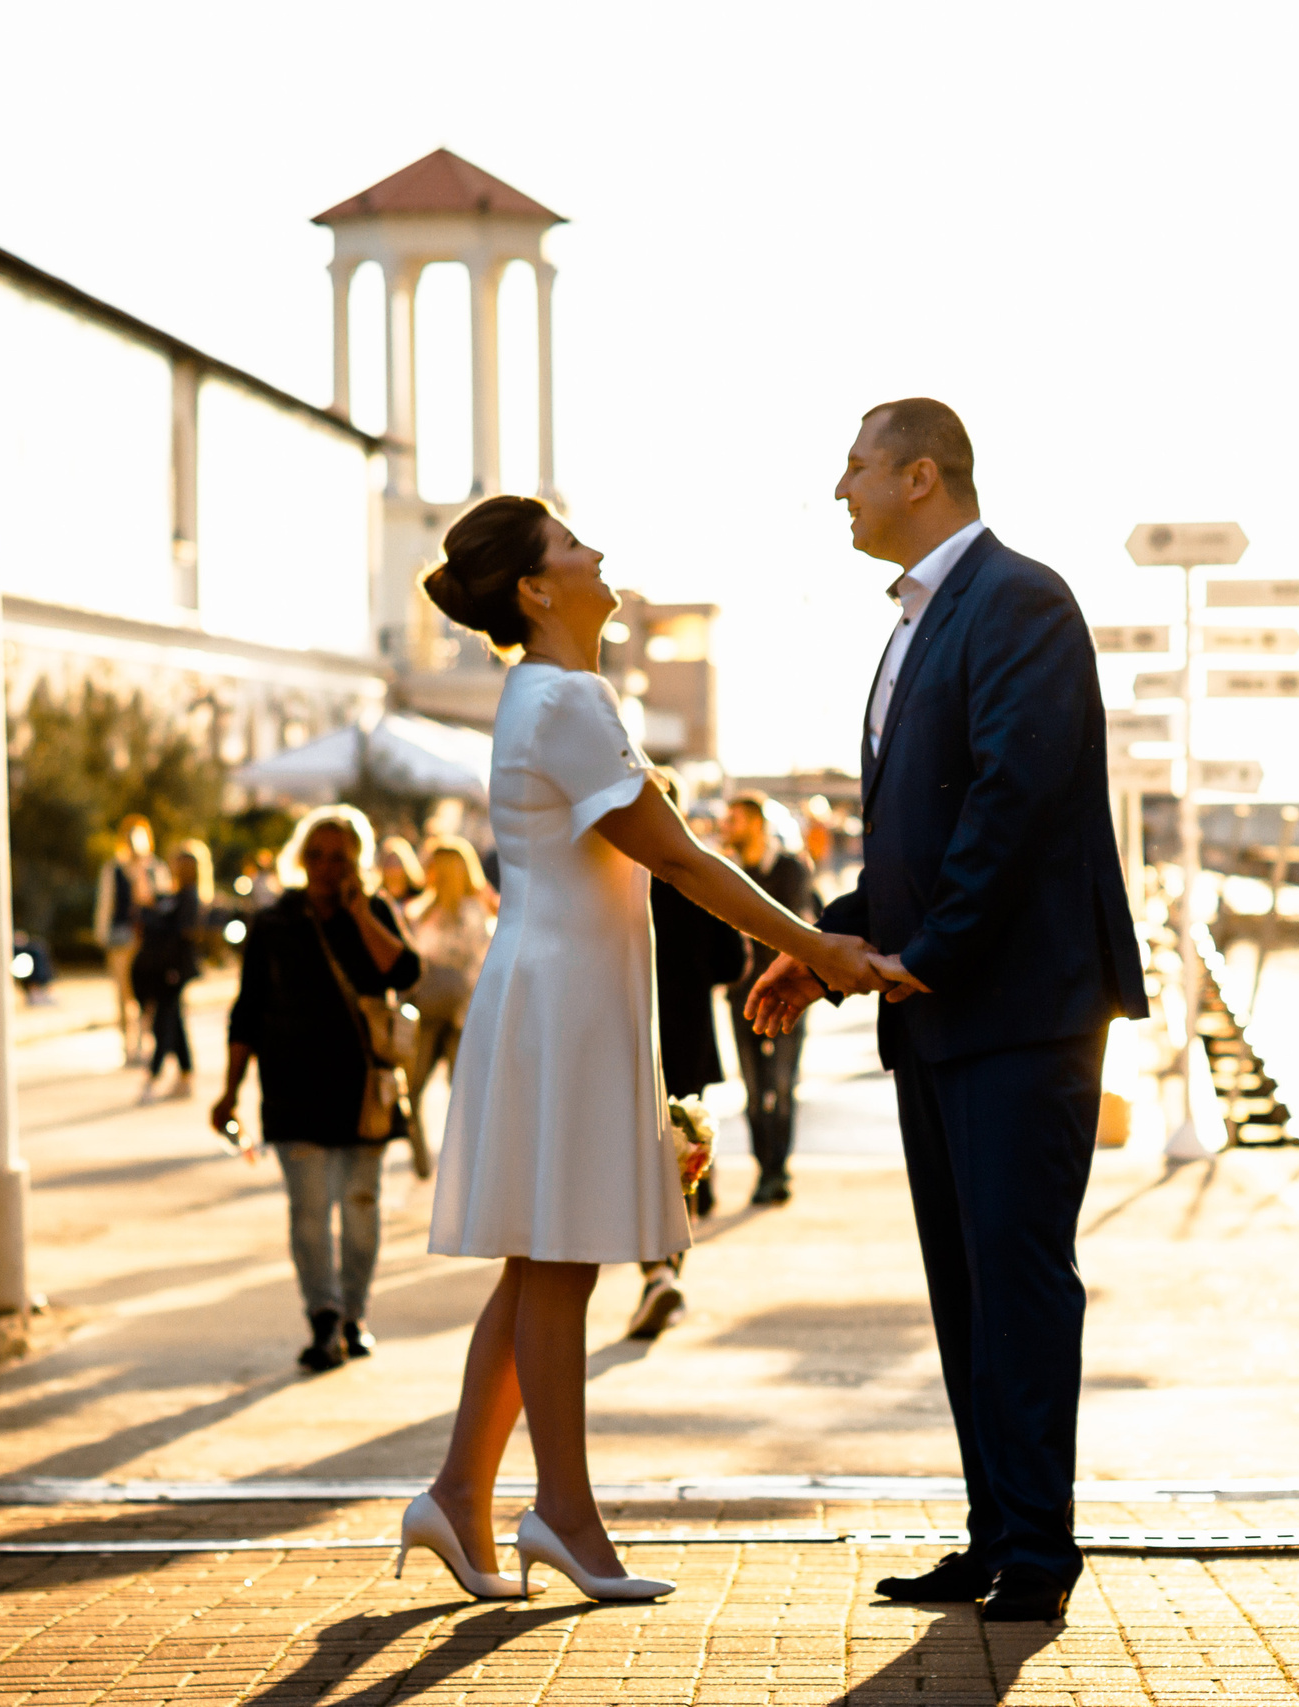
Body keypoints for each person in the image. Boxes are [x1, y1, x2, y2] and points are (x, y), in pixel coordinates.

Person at [399, 493, 887, 1604]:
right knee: (560, 1257)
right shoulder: (564, 697)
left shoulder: (551, 693)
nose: (598, 553)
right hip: (563, 999)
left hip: (557, 990)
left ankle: (460, 1494)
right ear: (535, 589)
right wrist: (816, 943)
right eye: (572, 545)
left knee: (541, 1258)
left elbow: (662, 856)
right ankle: (562, 1514)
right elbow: (680, 859)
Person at [747, 399, 1146, 1625]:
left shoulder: (1021, 601)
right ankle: (994, 1536)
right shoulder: (920, 619)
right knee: (967, 1289)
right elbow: (921, 837)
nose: (840, 489)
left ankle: (1037, 1554)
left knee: (1018, 1283)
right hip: (938, 1006)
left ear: (921, 476)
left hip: (1015, 1007)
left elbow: (1013, 802)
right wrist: (823, 949)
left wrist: (927, 952)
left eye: (856, 466)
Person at [210, 805, 423, 1373]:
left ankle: (354, 1314)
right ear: (300, 858)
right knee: (309, 1211)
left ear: (358, 863)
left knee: (360, 1206)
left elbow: (406, 973)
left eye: (340, 858)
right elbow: (247, 1010)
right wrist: (229, 1091)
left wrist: (360, 913)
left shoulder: (372, 912)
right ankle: (324, 1318)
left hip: (361, 1090)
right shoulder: (274, 922)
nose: (327, 867)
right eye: (317, 855)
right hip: (293, 1088)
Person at [627, 770, 751, 1341]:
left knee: (638, 1156)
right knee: (680, 1151)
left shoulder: (618, 876)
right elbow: (732, 961)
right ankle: (668, 1269)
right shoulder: (696, 874)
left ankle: (656, 1273)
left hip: (628, 1033)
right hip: (687, 1035)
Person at [721, 791, 818, 1206]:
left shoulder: (791, 868)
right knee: (752, 1092)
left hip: (786, 994)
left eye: (734, 820)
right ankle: (765, 1170)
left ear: (757, 824)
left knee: (781, 1087)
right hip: (742, 996)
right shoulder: (726, 870)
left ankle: (778, 1171)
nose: (725, 827)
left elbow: (793, 923)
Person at [404, 833, 496, 1180]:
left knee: (465, 1093)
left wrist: (468, 1008)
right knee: (412, 1090)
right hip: (430, 1011)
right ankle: (422, 1161)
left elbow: (481, 962)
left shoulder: (472, 912)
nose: (426, 870)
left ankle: (466, 1164)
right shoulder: (421, 910)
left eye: (433, 865)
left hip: (460, 1014)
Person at [134, 840, 210, 1102]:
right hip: (168, 969)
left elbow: (181, 934)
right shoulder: (177, 896)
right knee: (174, 1023)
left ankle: (152, 1077)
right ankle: (185, 1076)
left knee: (164, 1024)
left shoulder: (189, 897)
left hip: (173, 970)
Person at [94, 815, 164, 1066]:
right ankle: (128, 1045)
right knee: (124, 995)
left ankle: (146, 1042)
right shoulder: (113, 869)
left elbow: (161, 901)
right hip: (121, 940)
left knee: (148, 994)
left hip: (148, 940)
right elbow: (106, 904)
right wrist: (102, 935)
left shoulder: (155, 869)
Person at [377, 836, 426, 909]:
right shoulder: (376, 903)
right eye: (388, 864)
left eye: (396, 864)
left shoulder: (421, 897)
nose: (392, 870)